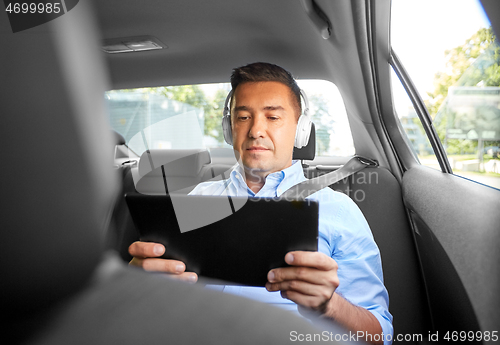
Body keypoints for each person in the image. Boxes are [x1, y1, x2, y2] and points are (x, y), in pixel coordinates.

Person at [129, 62, 393, 345]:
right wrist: (135, 282)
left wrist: (331, 306)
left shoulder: (340, 211)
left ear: (301, 130)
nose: (256, 130)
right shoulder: (196, 200)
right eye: (243, 117)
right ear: (229, 129)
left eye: (273, 117)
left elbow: (380, 336)